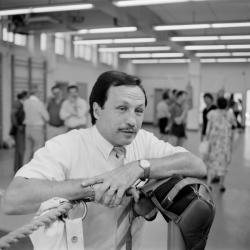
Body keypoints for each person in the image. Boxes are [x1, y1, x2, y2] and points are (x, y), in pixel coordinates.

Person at [2, 71, 206, 250]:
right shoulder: (67, 146)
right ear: (97, 110)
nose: (132, 120)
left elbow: (197, 165)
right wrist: (92, 188)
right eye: (122, 108)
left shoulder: (142, 140)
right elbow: (13, 200)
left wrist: (138, 168)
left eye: (139, 110)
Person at [205, 97, 236, 192]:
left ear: (217, 104)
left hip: (214, 142)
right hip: (225, 143)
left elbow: (207, 129)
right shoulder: (229, 114)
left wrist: (207, 139)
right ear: (226, 104)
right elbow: (234, 125)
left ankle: (208, 184)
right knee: (223, 162)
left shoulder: (212, 113)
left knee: (212, 161)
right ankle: (221, 185)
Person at [23, 85, 49, 164]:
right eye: (40, 93)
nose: (40, 94)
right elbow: (47, 117)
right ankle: (35, 171)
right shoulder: (39, 103)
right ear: (37, 93)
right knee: (38, 150)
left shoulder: (25, 102)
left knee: (27, 150)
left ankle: (23, 171)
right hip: (37, 128)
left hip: (27, 128)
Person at [9, 91, 28, 173]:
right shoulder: (17, 104)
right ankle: (19, 169)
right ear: (24, 96)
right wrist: (17, 126)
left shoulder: (20, 103)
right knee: (21, 149)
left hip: (20, 128)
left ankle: (17, 168)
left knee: (19, 150)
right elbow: (12, 115)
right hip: (19, 129)